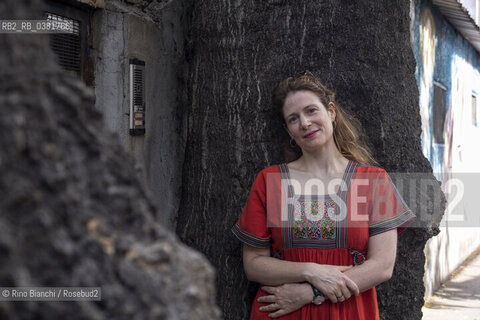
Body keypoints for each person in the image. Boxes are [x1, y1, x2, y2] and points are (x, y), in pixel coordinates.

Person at [231, 75, 416, 319]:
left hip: (346, 310)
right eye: (293, 119)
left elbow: (382, 266)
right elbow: (254, 264)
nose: (305, 123)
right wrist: (311, 271)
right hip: (281, 311)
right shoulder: (270, 181)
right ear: (288, 130)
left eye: (311, 111)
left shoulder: (372, 181)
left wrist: (311, 292)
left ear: (331, 112)